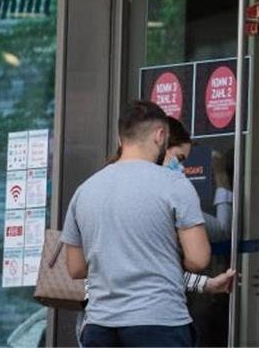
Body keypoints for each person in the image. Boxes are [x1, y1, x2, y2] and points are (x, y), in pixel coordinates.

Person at [61, 100, 212, 347]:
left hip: (100, 326)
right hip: (159, 322)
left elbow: (75, 268)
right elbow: (198, 259)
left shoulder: (85, 191)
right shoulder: (174, 184)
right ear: (160, 135)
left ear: (121, 139)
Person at [162, 118, 233, 242]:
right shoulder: (175, 204)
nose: (182, 167)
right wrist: (221, 175)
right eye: (179, 158)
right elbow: (222, 232)